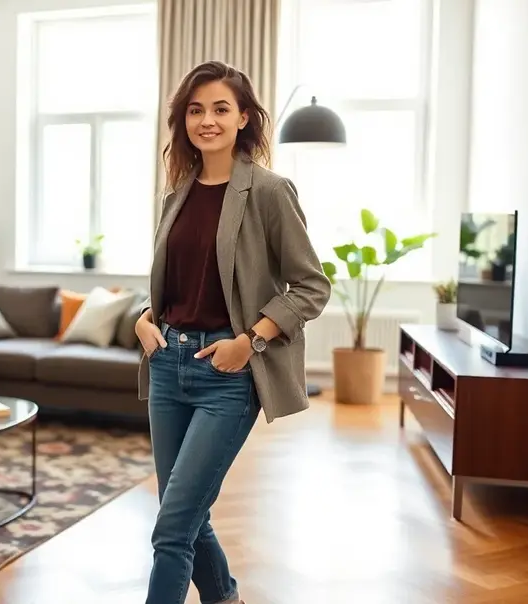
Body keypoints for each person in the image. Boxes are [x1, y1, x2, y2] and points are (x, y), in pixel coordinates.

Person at [134, 60, 331, 604]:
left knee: (172, 528)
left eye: (221, 108)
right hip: (169, 367)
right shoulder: (176, 195)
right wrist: (143, 319)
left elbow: (311, 287)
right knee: (185, 514)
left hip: (226, 373)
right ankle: (226, 599)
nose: (207, 120)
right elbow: (174, 286)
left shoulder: (269, 192)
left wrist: (252, 341)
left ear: (243, 117)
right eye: (195, 110)